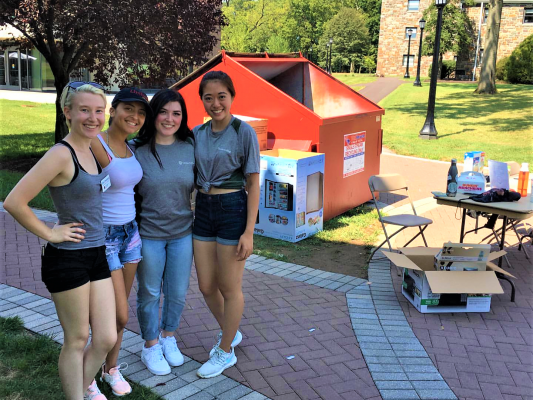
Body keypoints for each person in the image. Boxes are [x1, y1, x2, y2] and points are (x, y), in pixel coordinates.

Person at [4, 82, 117, 400]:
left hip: (96, 252)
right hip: (67, 258)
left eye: (98, 111)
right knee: (78, 338)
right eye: (84, 110)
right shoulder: (60, 154)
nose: (93, 117)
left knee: (106, 337)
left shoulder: (92, 146)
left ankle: (78, 391)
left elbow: (111, 174)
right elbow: (14, 201)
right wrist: (51, 232)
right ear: (67, 112)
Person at [192, 71, 260, 378]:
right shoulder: (197, 133)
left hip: (232, 207)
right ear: (202, 101)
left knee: (229, 287)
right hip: (203, 209)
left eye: (221, 96)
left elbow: (254, 182)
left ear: (231, 97)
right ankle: (230, 332)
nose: (215, 103)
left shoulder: (243, 132)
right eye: (208, 97)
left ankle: (225, 350)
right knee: (207, 285)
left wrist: (249, 231)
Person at [131, 89, 195, 376]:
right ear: (153, 114)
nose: (170, 119)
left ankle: (169, 337)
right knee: (149, 292)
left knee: (178, 291)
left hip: (183, 233)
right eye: (164, 112)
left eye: (177, 113)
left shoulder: (190, 146)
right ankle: (151, 344)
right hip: (149, 235)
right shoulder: (135, 149)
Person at [90, 87, 149, 396]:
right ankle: (88, 375)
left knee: (119, 316)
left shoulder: (132, 147)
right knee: (117, 314)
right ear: (112, 110)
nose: (134, 116)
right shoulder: (95, 144)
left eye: (140, 113)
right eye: (128, 109)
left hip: (130, 234)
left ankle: (110, 370)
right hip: (105, 237)